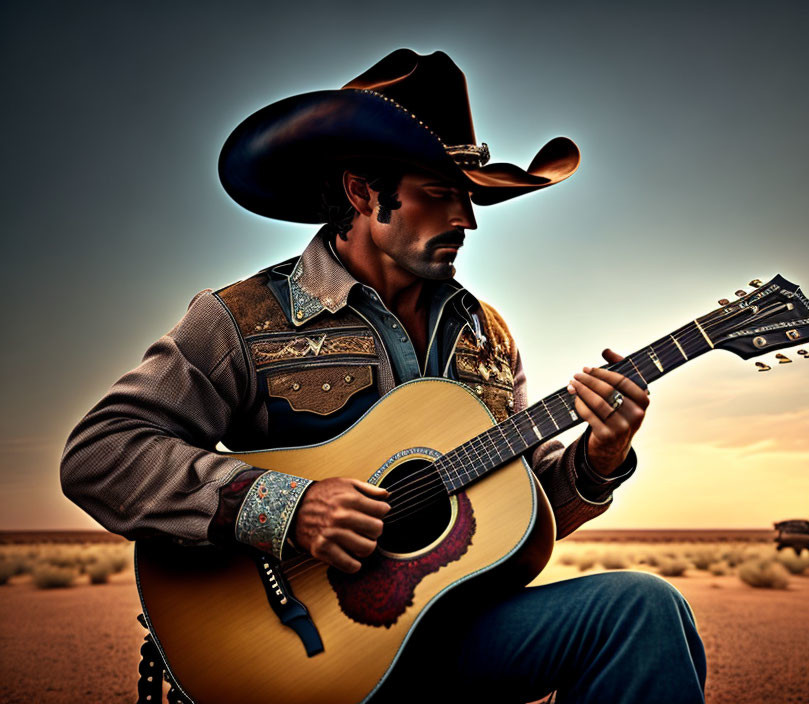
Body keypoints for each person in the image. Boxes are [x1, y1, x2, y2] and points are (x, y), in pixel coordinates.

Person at [61, 49, 705, 703]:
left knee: (643, 612)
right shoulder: (241, 318)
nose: (468, 220)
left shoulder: (488, 335)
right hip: (301, 651)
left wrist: (598, 458)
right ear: (363, 192)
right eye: (440, 194)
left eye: (470, 198)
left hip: (453, 632)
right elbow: (102, 455)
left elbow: (521, 516)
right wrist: (288, 507)